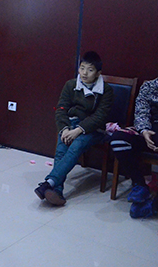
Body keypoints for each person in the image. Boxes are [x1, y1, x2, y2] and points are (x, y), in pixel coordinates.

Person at [34, 51, 114, 206]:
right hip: (71, 124)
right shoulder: (70, 85)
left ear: (98, 73)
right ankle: (56, 190)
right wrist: (64, 129)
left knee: (76, 144)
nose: (84, 73)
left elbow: (100, 117)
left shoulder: (106, 90)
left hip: (94, 129)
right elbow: (61, 109)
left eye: (90, 70)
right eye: (82, 68)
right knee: (62, 147)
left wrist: (79, 130)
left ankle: (49, 182)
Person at [110, 77, 158, 218]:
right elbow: (141, 112)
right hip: (149, 130)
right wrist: (144, 130)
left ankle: (152, 207)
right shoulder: (149, 86)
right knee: (118, 139)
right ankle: (140, 184)